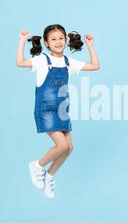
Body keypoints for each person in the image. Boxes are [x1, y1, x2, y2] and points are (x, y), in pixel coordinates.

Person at [16, 24, 100, 199]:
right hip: (46, 110)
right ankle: (37, 166)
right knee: (61, 145)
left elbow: (95, 66)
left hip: (62, 110)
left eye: (61, 38)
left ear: (66, 40)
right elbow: (20, 62)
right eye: (53, 39)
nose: (58, 42)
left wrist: (90, 45)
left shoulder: (69, 62)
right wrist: (23, 41)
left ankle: (50, 175)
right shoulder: (41, 60)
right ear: (46, 43)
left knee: (69, 148)